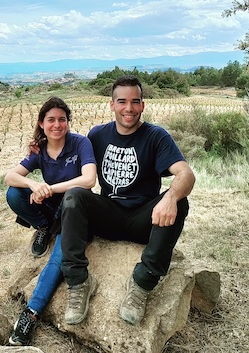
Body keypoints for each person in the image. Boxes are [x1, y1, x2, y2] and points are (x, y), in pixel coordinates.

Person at [60, 75, 196, 326]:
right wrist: (39, 149)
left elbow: (186, 173)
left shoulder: (156, 136)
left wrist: (171, 198)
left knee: (180, 201)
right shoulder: (97, 135)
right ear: (112, 105)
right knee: (74, 196)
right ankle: (79, 282)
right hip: (107, 213)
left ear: (143, 105)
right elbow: (71, 166)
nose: (129, 108)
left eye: (135, 101)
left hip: (142, 219)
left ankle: (142, 284)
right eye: (122, 101)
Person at [4, 96, 97, 345]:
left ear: (68, 122)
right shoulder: (39, 150)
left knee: (58, 258)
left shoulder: (80, 143)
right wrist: (33, 183)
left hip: (76, 213)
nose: (57, 124)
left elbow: (89, 180)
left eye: (62, 119)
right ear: (42, 123)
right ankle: (44, 227)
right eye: (51, 120)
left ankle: (31, 313)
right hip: (52, 211)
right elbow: (10, 176)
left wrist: (51, 188)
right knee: (15, 193)